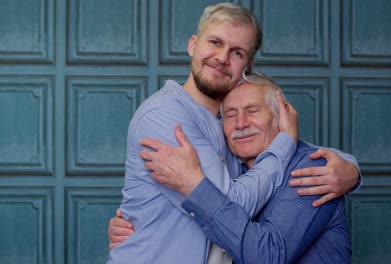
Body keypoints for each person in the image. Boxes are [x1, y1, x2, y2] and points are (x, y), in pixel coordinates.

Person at [108, 3, 359, 263]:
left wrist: (351, 169)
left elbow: (292, 150)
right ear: (193, 45)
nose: (222, 57)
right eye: (215, 42)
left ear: (246, 67)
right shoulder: (164, 115)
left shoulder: (227, 130)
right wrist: (285, 142)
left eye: (236, 52)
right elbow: (231, 204)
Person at [111, 73, 351, 263]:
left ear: (280, 117)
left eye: (253, 110)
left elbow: (267, 256)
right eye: (230, 115)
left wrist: (194, 186)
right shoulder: (233, 172)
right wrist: (139, 227)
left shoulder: (314, 169)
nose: (241, 123)